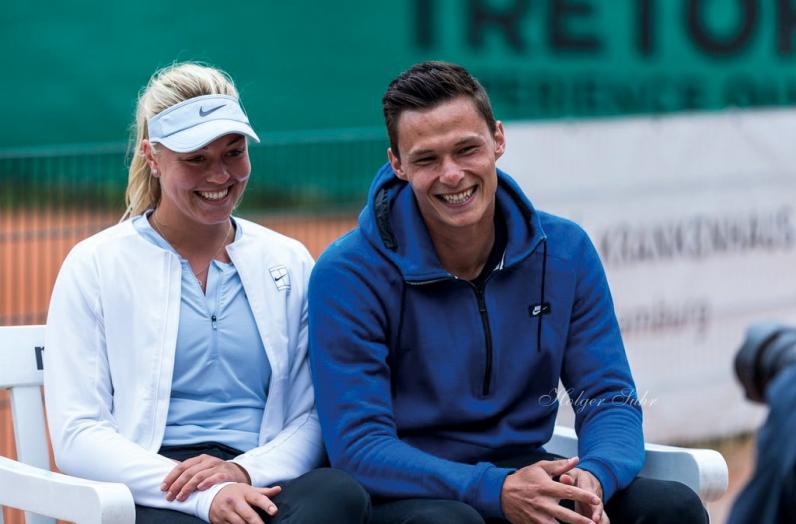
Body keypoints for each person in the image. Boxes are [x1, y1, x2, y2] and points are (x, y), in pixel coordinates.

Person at [308, 61, 706, 524]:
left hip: (526, 470)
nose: (452, 174)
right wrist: (494, 489)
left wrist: (594, 476)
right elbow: (360, 447)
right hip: (411, 492)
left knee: (670, 507)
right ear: (396, 163)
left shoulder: (565, 251)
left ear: (498, 139)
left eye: (466, 149)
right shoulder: (347, 273)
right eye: (426, 159)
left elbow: (607, 396)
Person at [44, 62, 370, 524]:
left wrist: (240, 472)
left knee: (340, 494)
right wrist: (204, 497)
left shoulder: (290, 260)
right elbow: (78, 432)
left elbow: (312, 416)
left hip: (260, 480)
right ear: (152, 158)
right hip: (152, 490)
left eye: (233, 153)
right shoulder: (94, 264)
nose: (220, 176)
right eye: (195, 158)